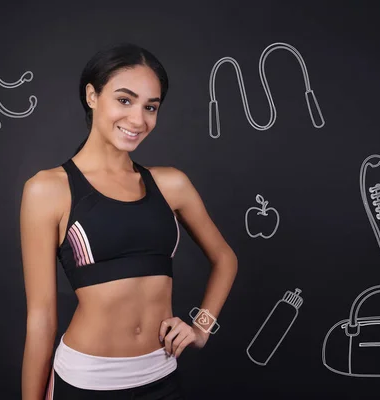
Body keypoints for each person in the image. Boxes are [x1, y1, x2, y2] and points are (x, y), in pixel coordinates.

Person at [20, 43, 238, 399]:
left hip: (161, 375)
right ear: (92, 95)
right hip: (87, 382)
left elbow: (225, 258)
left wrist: (201, 328)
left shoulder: (171, 184)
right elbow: (41, 318)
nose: (138, 119)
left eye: (150, 107)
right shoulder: (48, 190)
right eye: (125, 100)